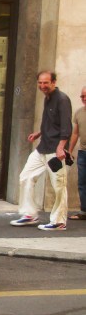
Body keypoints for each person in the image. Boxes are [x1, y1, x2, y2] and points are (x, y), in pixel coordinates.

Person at [10, 71, 73, 230]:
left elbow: (66, 126)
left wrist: (61, 147)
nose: (43, 86)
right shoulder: (48, 99)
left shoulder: (62, 100)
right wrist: (39, 133)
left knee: (59, 185)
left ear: (53, 82)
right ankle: (30, 214)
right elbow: (50, 122)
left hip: (55, 151)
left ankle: (59, 221)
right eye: (40, 83)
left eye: (46, 83)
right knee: (26, 177)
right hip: (43, 147)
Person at [69, 85, 86, 220]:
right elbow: (75, 133)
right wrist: (69, 150)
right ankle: (84, 211)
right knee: (82, 182)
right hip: (83, 153)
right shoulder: (79, 112)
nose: (84, 98)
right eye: (82, 96)